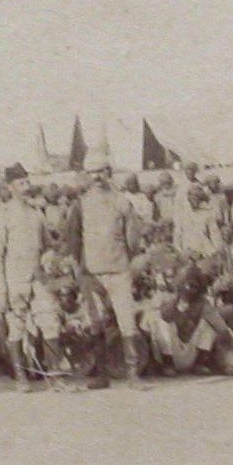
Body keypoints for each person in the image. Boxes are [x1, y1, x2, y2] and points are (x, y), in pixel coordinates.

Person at [71, 161, 146, 389]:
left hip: (118, 269)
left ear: (109, 173)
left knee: (126, 320)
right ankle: (101, 375)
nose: (97, 177)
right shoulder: (80, 204)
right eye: (93, 172)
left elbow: (133, 236)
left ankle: (133, 374)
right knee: (96, 322)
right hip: (92, 272)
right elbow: (74, 237)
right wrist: (79, 267)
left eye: (101, 171)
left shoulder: (122, 202)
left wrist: (125, 258)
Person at [0, 163, 52, 392]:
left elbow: (48, 246)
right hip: (15, 280)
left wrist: (48, 260)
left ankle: (54, 377)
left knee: (50, 321)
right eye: (20, 183)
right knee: (17, 327)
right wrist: (1, 289)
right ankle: (20, 377)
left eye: (27, 182)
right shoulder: (3, 217)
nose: (26, 187)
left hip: (37, 278)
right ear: (10, 188)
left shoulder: (37, 214)